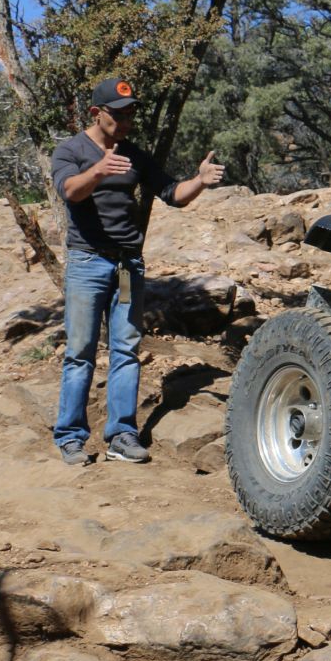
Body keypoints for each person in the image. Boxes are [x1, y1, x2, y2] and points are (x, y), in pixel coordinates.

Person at [50, 77, 225, 464]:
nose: (127, 121)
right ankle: (70, 437)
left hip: (127, 266)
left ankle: (122, 435)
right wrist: (98, 171)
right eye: (119, 114)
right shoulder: (70, 151)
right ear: (96, 113)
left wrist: (199, 181)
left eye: (131, 114)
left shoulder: (135, 154)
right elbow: (69, 192)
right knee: (80, 352)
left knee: (126, 350)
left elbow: (171, 194)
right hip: (87, 263)